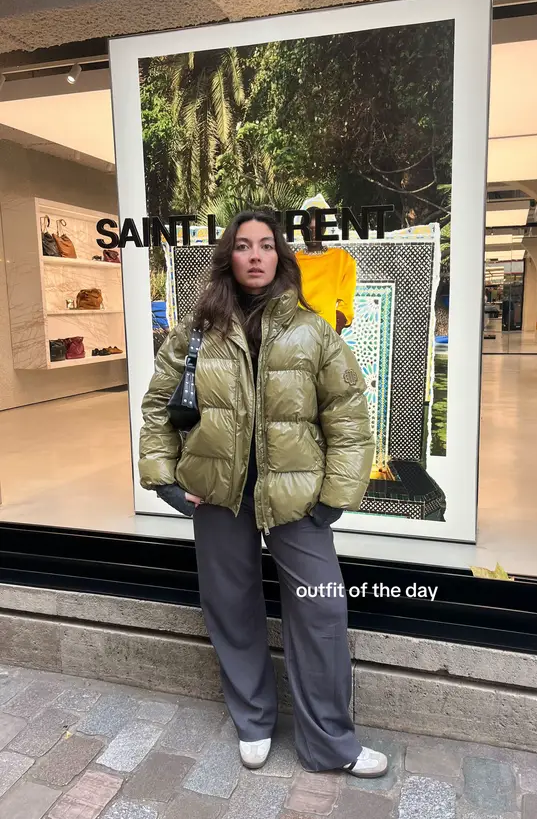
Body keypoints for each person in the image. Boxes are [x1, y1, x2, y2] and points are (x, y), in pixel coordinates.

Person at [138, 210, 387, 778]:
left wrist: (336, 496)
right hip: (219, 497)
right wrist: (167, 481)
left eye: (267, 245)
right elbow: (159, 406)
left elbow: (348, 415)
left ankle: (331, 742)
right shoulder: (197, 329)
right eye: (244, 245)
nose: (256, 255)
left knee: (322, 607)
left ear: (281, 257)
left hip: (298, 498)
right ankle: (253, 719)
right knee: (231, 606)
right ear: (230, 256)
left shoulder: (313, 329)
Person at [295, 205, 357, 335]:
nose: (313, 233)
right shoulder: (293, 261)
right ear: (301, 231)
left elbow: (346, 303)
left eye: (318, 228)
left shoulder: (341, 259)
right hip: (299, 335)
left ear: (323, 229)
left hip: (328, 333)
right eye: (308, 229)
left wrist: (335, 330)